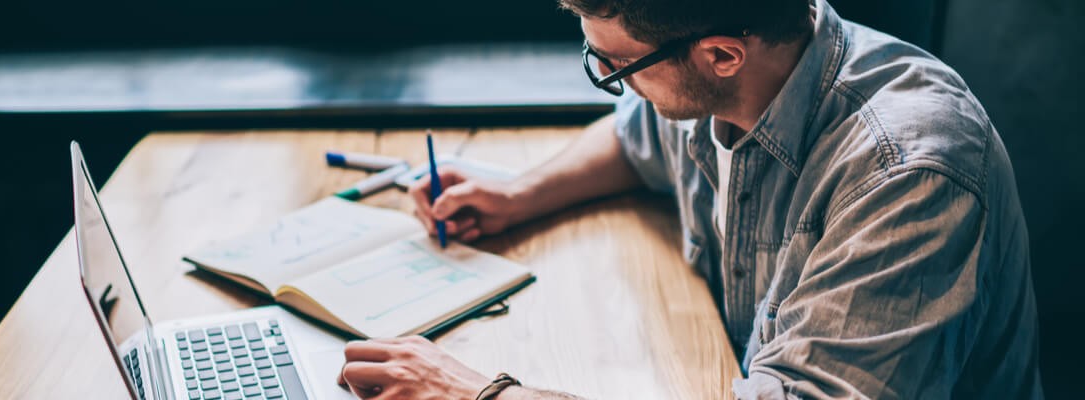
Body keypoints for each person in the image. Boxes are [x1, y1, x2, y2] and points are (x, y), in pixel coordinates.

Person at [338, 0, 1043, 398]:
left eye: (616, 66)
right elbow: (639, 137)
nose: (613, 82)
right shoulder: (730, 80)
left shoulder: (908, 174)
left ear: (721, 55)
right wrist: (518, 192)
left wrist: (477, 395)